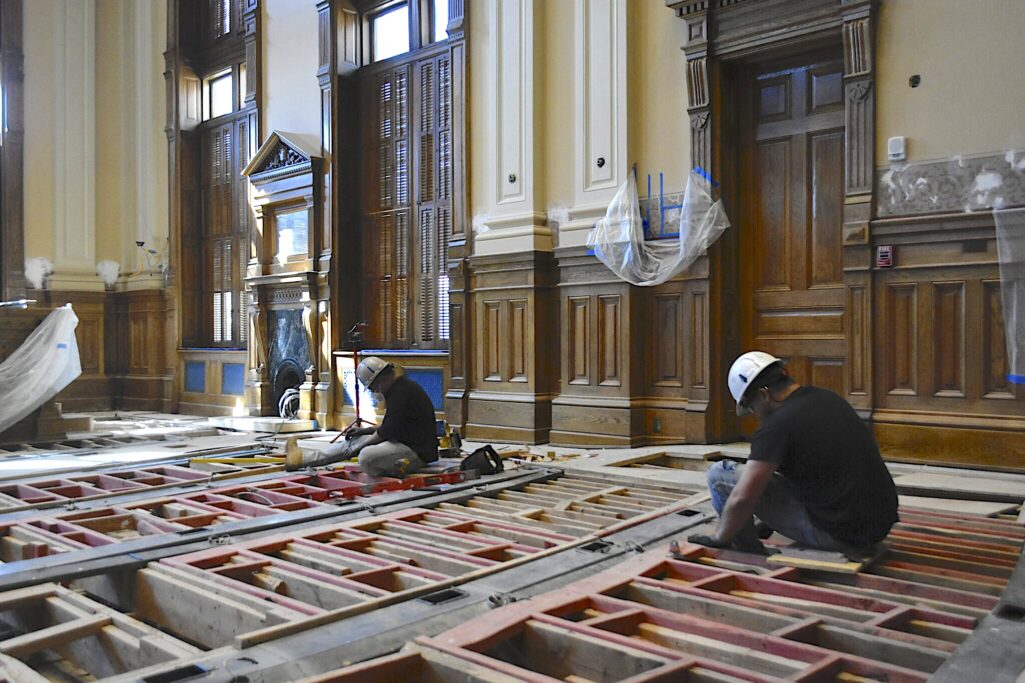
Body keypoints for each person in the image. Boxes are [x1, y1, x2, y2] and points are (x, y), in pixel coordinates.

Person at [687, 351, 898, 556]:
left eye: (752, 407)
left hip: (840, 535)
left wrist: (718, 538)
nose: (754, 415)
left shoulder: (776, 426)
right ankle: (750, 528)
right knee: (770, 473)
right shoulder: (827, 397)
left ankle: (744, 548)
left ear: (763, 394)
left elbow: (743, 498)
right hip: (878, 526)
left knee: (719, 474)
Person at [287, 357, 438, 476]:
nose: (374, 392)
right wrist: (363, 432)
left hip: (416, 452)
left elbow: (386, 432)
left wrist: (360, 447)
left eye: (372, 388)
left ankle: (399, 468)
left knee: (365, 456)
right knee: (355, 441)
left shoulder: (401, 393)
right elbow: (392, 425)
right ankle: (302, 458)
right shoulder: (399, 388)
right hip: (402, 442)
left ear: (380, 381)